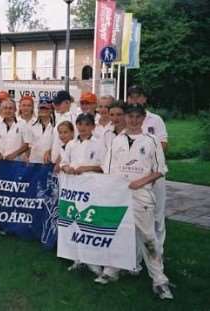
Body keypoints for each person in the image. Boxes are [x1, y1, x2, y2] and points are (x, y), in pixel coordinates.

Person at [99, 104, 173, 300]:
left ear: (142, 118)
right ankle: (112, 269)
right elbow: (107, 169)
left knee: (148, 237)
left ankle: (159, 280)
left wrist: (140, 181)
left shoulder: (151, 140)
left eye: (136, 117)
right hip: (119, 194)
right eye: (129, 116)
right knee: (117, 232)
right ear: (125, 118)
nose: (132, 120)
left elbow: (160, 170)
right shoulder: (117, 140)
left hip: (142, 194)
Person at [60, 113, 104, 276]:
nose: (83, 128)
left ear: (93, 126)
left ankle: (93, 260)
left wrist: (86, 168)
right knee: (75, 221)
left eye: (87, 125)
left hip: (92, 189)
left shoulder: (99, 144)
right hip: (74, 190)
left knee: (90, 222)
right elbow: (63, 162)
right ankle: (77, 258)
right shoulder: (71, 144)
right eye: (80, 124)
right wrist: (67, 168)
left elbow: (104, 167)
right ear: (76, 126)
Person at [127, 85, 168, 258]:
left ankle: (157, 254)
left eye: (138, 96)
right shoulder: (126, 119)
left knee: (157, 217)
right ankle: (135, 256)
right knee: (135, 218)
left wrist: (149, 168)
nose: (135, 100)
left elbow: (163, 144)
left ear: (144, 98)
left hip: (153, 176)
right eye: (131, 97)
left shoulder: (155, 119)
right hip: (134, 178)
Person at [28, 96, 55, 163]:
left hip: (49, 163)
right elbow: (29, 146)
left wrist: (50, 151)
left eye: (46, 108)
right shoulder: (31, 125)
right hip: (34, 163)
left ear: (51, 110)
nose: (43, 110)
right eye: (41, 108)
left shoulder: (56, 126)